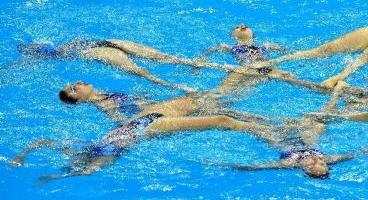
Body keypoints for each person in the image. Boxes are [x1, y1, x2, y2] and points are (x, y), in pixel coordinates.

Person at [9, 104, 279, 182]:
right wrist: (55, 176)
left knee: (219, 114)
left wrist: (21, 156)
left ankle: (266, 124)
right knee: (220, 118)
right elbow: (90, 169)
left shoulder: (90, 144)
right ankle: (268, 126)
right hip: (148, 125)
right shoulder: (109, 149)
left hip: (144, 122)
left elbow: (43, 141)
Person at [228, 82, 367, 178]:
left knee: (255, 127)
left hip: (282, 140)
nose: (315, 159)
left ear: (304, 169)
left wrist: (238, 166)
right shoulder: (328, 158)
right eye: (321, 163)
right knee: (321, 119)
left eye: (312, 164)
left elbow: (261, 166)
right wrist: (366, 150)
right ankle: (337, 93)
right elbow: (349, 155)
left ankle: (225, 113)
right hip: (308, 138)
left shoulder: (290, 163)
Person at [15, 38, 256, 91]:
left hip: (99, 50)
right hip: (104, 41)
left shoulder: (55, 55)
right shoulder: (65, 44)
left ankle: (181, 87)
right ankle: (224, 68)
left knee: (143, 73)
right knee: (170, 59)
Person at [58, 81, 272, 123]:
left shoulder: (104, 94)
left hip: (166, 105)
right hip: (165, 111)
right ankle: (268, 120)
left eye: (73, 84)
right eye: (74, 89)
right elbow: (123, 121)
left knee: (219, 101)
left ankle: (266, 119)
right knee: (220, 101)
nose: (77, 83)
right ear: (79, 100)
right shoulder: (104, 103)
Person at [198, 24, 295, 95]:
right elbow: (212, 49)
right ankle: (209, 101)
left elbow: (287, 51)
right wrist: (199, 63)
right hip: (245, 69)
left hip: (263, 66)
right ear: (233, 36)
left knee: (289, 77)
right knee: (222, 90)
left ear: (253, 36)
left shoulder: (265, 45)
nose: (242, 25)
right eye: (237, 27)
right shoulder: (229, 47)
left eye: (246, 26)